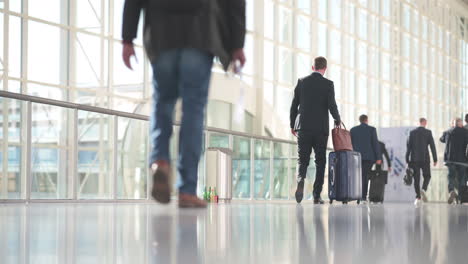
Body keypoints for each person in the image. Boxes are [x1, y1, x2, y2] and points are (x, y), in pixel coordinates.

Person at [122, 0, 246, 208]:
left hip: (161, 30)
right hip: (200, 30)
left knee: (163, 102)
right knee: (193, 111)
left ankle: (160, 160)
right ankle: (187, 190)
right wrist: (237, 44)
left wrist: (127, 37)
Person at [290, 56, 341, 204]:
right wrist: (337, 119)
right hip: (320, 130)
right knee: (320, 161)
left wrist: (293, 124)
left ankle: (301, 180)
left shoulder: (302, 82)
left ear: (313, 67)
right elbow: (332, 105)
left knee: (303, 159)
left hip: (304, 128)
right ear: (324, 69)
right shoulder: (328, 84)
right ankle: (317, 195)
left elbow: (294, 106)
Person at [405, 118, 438, 205]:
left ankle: (418, 197)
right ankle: (423, 189)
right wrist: (435, 159)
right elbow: (432, 146)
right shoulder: (428, 132)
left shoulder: (412, 133)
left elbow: (408, 147)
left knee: (416, 178)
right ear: (425, 123)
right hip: (425, 159)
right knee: (427, 176)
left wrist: (407, 159)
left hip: (414, 159)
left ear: (419, 123)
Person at [350, 115, 382, 203]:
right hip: (369, 157)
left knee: (358, 176)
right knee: (365, 176)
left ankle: (357, 195)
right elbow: (375, 144)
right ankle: (363, 197)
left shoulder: (353, 130)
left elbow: (350, 144)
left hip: (356, 157)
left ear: (360, 120)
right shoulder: (372, 129)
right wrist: (378, 157)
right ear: (366, 120)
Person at [440, 118, 468, 204]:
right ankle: (460, 197)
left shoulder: (448, 132)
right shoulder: (465, 132)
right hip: (462, 160)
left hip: (450, 159)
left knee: (451, 176)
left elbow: (441, 139)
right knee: (462, 179)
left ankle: (451, 190)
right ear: (461, 124)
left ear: (454, 124)